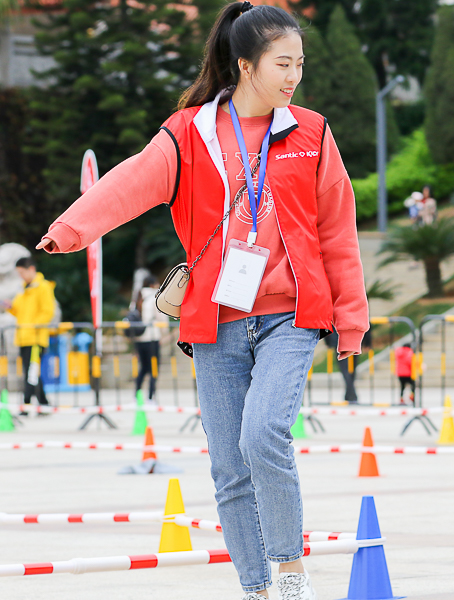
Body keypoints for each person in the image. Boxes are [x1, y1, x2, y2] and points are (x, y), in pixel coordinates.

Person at [37, 4, 369, 598]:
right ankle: (255, 588)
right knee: (227, 468)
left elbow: (337, 231)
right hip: (215, 319)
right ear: (245, 65)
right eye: (283, 63)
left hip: (290, 315)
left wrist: (350, 320)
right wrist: (72, 228)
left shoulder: (311, 132)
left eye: (300, 64)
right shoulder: (189, 131)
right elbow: (133, 179)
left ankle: (290, 574)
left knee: (262, 434)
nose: (295, 76)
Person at [3, 256, 56, 415]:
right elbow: (19, 310)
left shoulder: (43, 287)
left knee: (31, 372)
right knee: (31, 372)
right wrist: (10, 306)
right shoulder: (24, 288)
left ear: (31, 269)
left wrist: (33, 326)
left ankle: (27, 405)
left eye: (22, 272)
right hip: (23, 337)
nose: (20, 276)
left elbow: (48, 312)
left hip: (35, 338)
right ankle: (43, 404)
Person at [134, 276, 169, 405]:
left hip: (139, 338)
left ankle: (136, 395)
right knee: (154, 367)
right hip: (152, 337)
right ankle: (150, 397)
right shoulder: (155, 296)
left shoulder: (136, 297)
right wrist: (164, 332)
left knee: (143, 368)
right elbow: (161, 316)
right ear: (153, 284)